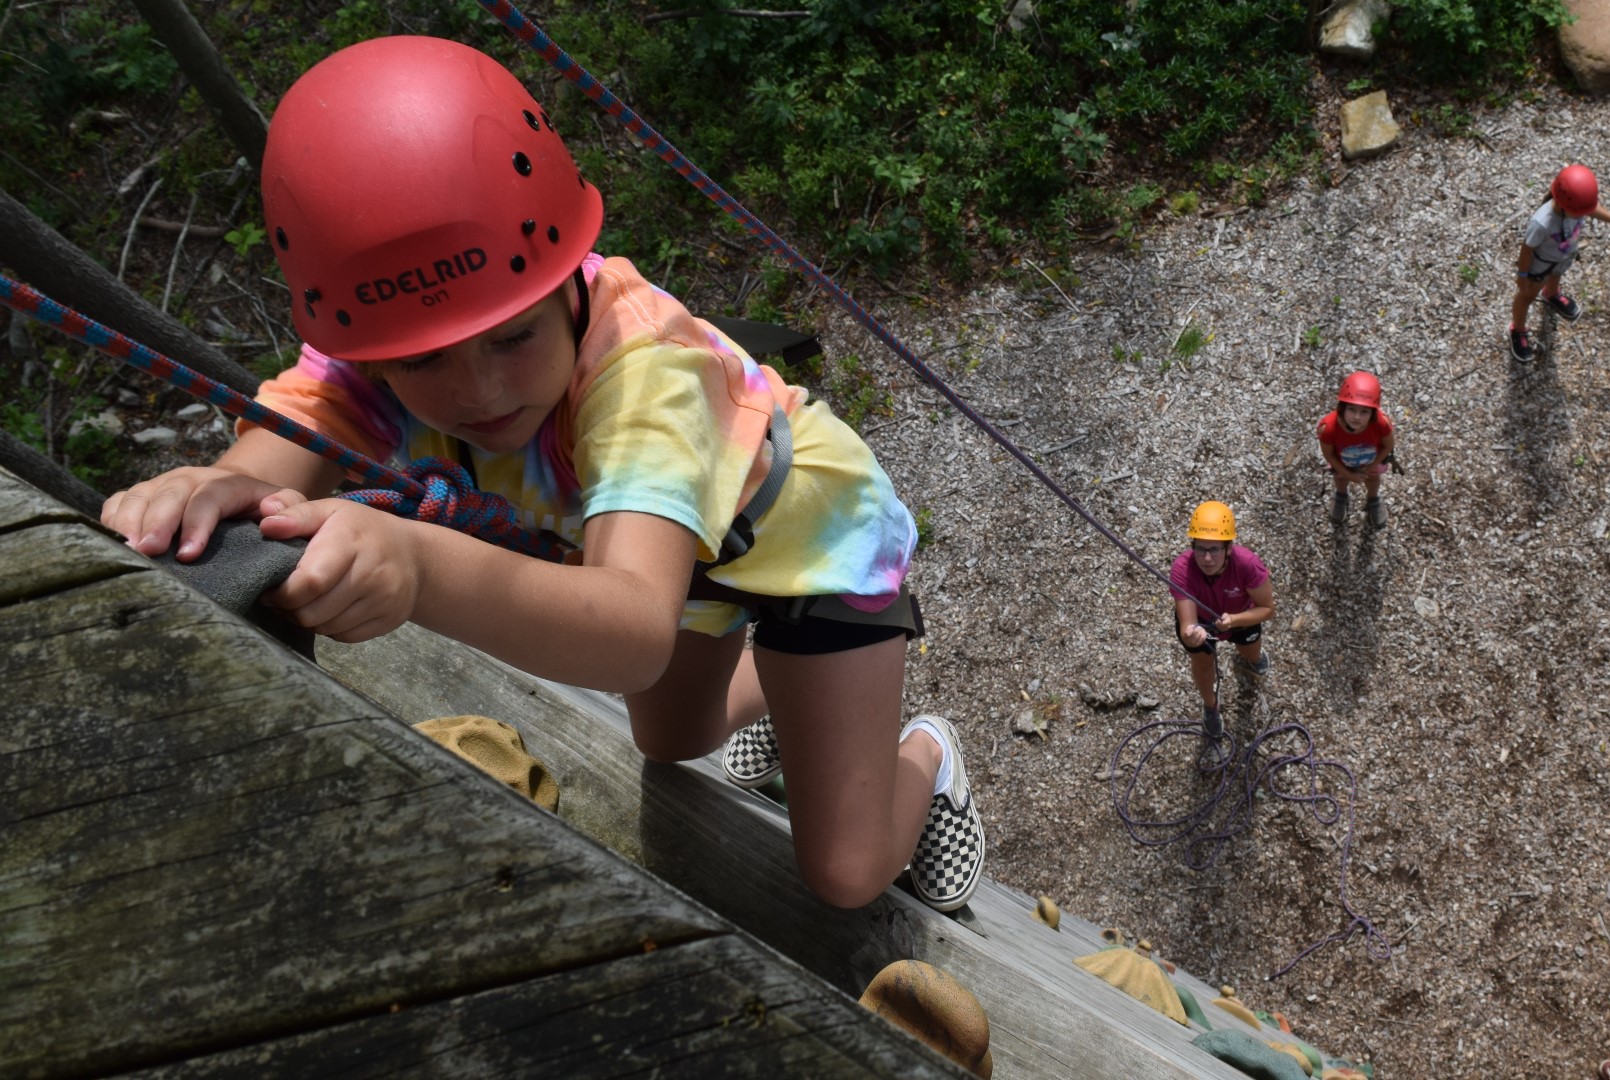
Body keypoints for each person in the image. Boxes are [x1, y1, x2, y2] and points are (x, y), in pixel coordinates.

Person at [97, 36, 984, 913]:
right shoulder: (384, 349)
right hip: (683, 562)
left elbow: (633, 632)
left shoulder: (645, 371)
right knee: (675, 742)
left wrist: (418, 566)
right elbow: (293, 433)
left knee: (846, 873)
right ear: (373, 349)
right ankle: (810, 719)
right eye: (424, 362)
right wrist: (216, 484)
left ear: (567, 283)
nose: (479, 392)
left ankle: (925, 756)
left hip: (813, 554)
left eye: (513, 337)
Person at [1508, 163, 1610, 363]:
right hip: (1540, 265)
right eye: (1581, 212)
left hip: (1563, 255)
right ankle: (1517, 329)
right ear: (1563, 205)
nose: (1584, 215)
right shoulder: (1542, 222)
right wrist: (1522, 276)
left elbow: (1592, 208)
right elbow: (1527, 249)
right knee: (1526, 296)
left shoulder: (1574, 206)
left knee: (1557, 274)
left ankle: (1551, 294)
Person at [1170, 501, 1276, 738]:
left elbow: (1267, 609)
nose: (1207, 558)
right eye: (1200, 549)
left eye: (1214, 550)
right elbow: (1187, 623)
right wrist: (1192, 634)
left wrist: (1235, 620)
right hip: (1203, 623)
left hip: (1241, 617)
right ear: (1193, 546)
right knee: (1202, 664)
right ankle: (1210, 707)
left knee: (1251, 653)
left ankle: (1254, 659)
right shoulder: (1182, 569)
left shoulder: (1248, 565)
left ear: (1228, 548)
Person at [1316, 371, 1395, 527]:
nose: (1357, 417)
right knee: (1340, 478)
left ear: (1373, 413)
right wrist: (1348, 474)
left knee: (1373, 479)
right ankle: (1341, 496)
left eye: (1364, 412)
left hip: (1371, 462)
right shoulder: (1328, 428)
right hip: (1342, 463)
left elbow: (1388, 445)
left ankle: (1373, 499)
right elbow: (1329, 456)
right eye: (1352, 410)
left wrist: (1369, 468)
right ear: (1342, 408)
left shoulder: (1381, 423)